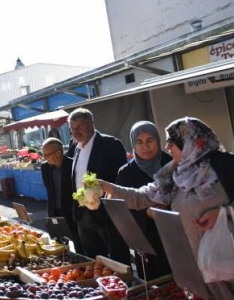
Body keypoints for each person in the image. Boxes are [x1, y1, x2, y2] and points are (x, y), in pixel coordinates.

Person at [98, 117, 234, 300]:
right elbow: (141, 197)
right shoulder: (175, 172)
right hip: (197, 267)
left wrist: (224, 213)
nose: (166, 147)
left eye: (172, 142)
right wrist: (107, 187)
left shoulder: (229, 166)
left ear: (192, 142)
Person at [68, 108, 132, 264]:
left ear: (91, 125)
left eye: (79, 127)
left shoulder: (110, 144)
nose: (75, 132)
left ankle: (124, 287)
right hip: (83, 215)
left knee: (118, 261)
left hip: (107, 215)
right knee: (95, 260)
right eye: (72, 128)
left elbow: (121, 178)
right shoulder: (76, 148)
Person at [115, 121, 172, 279]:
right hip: (145, 240)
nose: (145, 147)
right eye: (139, 142)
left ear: (158, 140)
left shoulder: (172, 164)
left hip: (174, 236)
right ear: (133, 144)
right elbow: (122, 211)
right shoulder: (126, 173)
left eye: (149, 140)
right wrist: (146, 213)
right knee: (151, 284)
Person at [40, 137, 83, 254]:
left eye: (47, 154)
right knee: (59, 246)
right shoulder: (45, 167)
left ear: (59, 152)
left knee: (79, 245)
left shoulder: (73, 165)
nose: (45, 158)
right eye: (43, 155)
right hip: (55, 212)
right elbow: (50, 191)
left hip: (72, 212)